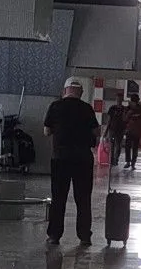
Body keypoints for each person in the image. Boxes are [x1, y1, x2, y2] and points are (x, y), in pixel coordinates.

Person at [43, 78, 100, 249]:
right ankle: (84, 236)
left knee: (58, 197)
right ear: (81, 92)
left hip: (60, 158)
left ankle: (54, 235)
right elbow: (96, 131)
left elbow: (46, 131)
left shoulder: (55, 106)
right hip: (83, 158)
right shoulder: (87, 108)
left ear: (65, 90)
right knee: (83, 199)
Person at [123, 91, 141, 171]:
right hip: (133, 131)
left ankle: (131, 162)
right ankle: (130, 162)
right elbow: (124, 119)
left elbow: (124, 119)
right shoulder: (134, 109)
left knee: (132, 147)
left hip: (135, 131)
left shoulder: (139, 109)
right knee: (130, 147)